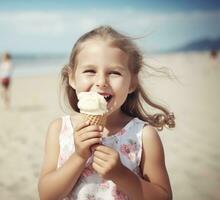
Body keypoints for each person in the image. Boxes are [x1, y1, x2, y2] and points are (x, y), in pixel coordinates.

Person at [38, 26, 175, 200]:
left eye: (114, 73)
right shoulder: (59, 129)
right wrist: (79, 157)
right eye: (90, 71)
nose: (101, 81)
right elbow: (46, 194)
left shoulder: (144, 135)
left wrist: (121, 175)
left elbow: (164, 197)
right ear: (72, 78)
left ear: (132, 82)